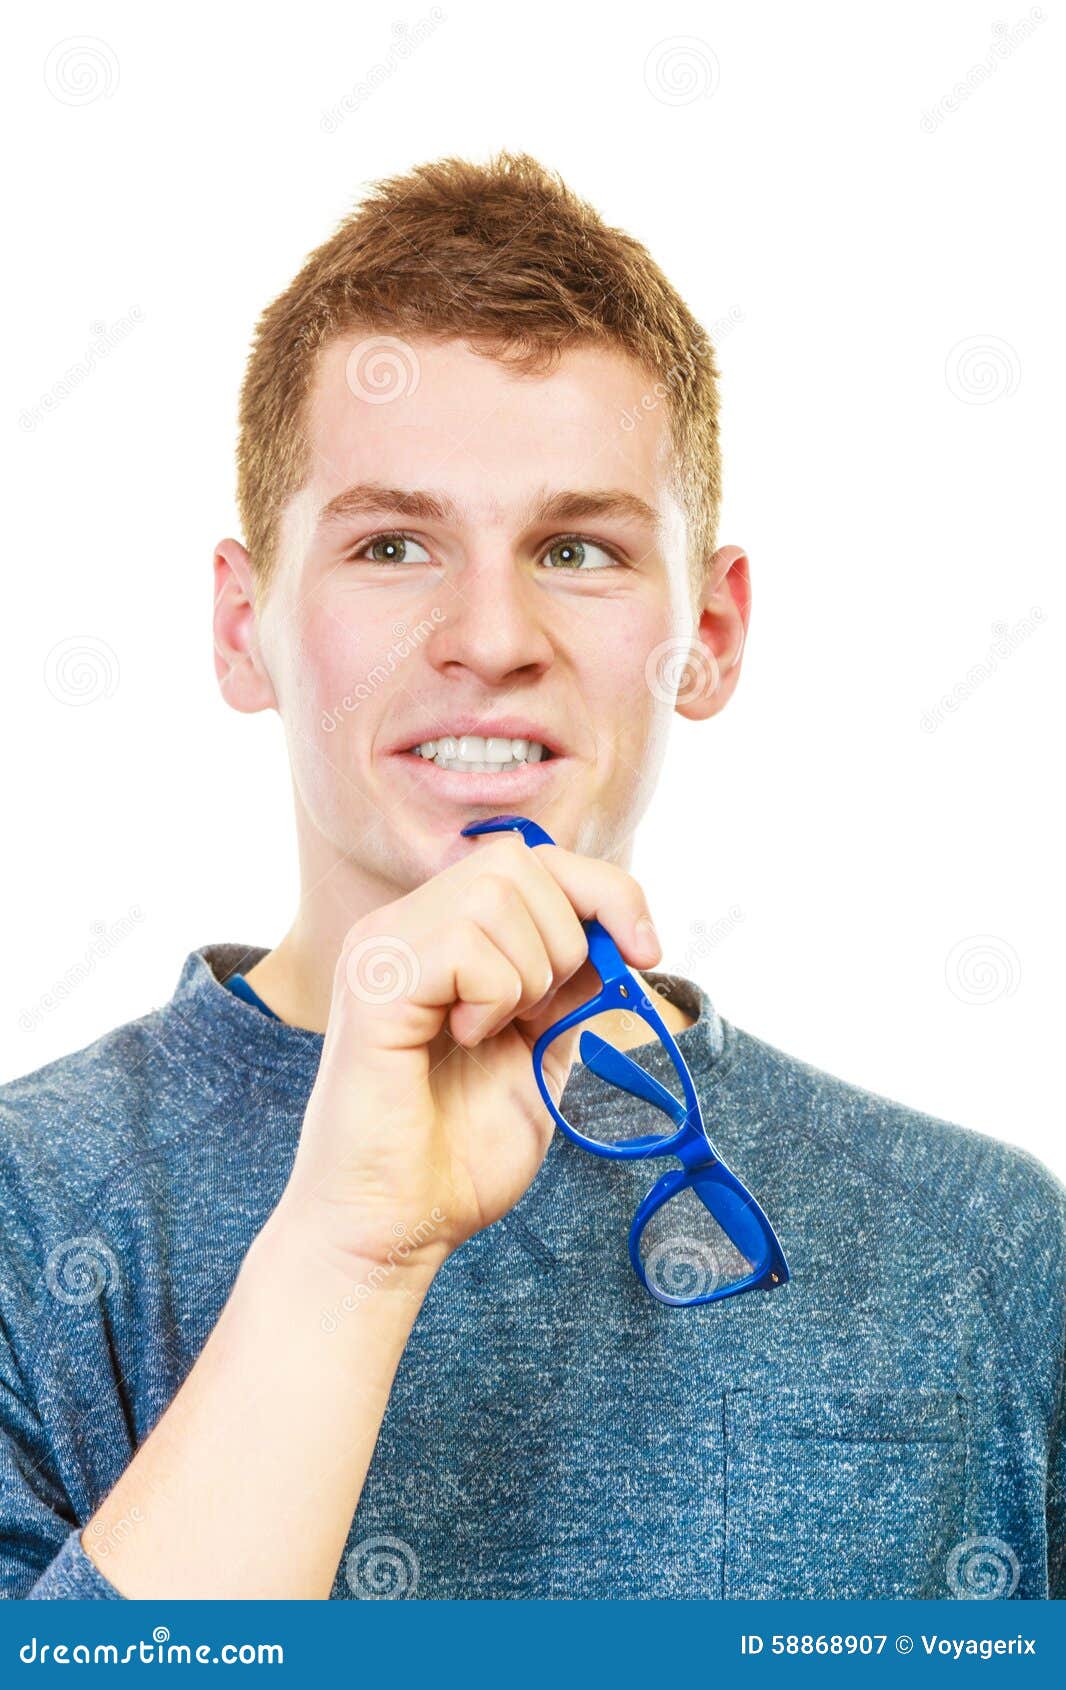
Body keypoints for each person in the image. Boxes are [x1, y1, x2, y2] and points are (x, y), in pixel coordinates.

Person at [2, 151, 1062, 1602]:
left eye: (575, 546)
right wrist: (345, 1255)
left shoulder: (979, 1253)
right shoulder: (27, 1213)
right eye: (390, 544)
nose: (489, 633)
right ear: (243, 628)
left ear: (710, 632)